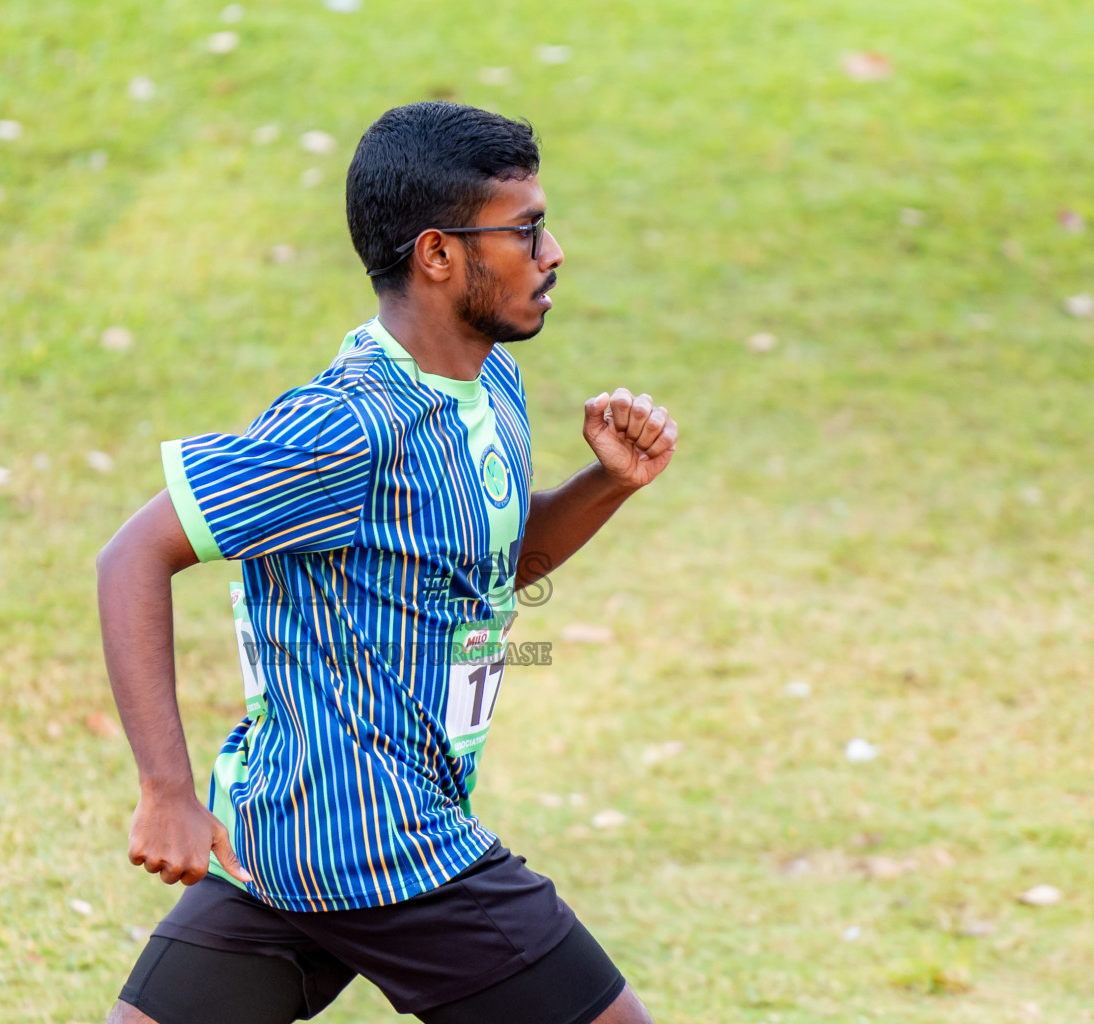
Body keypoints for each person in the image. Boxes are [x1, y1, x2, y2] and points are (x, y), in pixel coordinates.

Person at [96, 101, 678, 1024]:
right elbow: (134, 553)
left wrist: (606, 485)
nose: (554, 250)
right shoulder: (349, 424)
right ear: (438, 254)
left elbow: (484, 561)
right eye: (525, 229)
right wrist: (165, 789)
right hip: (393, 849)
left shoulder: (489, 381)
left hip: (287, 837)